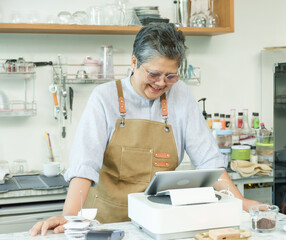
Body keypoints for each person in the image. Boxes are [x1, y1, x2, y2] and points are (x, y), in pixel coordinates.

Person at [29, 23, 261, 236]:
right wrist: (70, 216)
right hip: (105, 225)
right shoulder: (104, 97)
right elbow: (84, 166)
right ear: (133, 63)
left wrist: (239, 204)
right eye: (154, 74)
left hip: (158, 224)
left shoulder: (180, 94)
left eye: (170, 76)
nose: (161, 83)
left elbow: (209, 160)